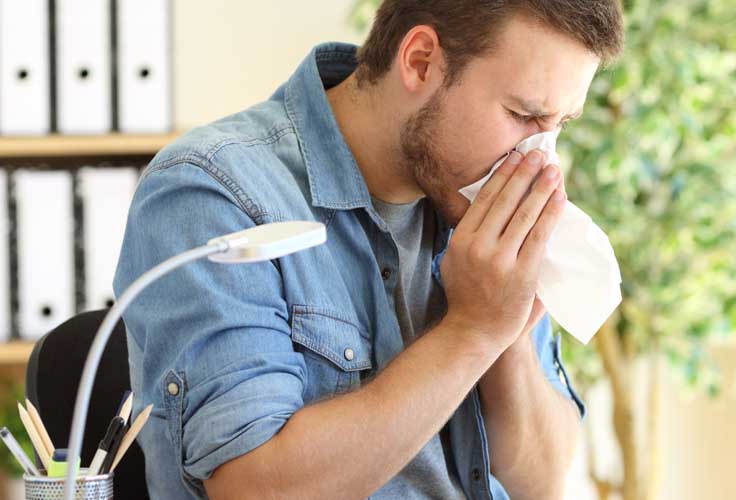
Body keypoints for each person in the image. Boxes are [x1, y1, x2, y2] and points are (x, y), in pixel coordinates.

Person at [113, 1, 624, 498]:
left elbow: (544, 483)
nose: (540, 158)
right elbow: (255, 488)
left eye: (559, 125)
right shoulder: (213, 192)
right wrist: (471, 331)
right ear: (420, 61)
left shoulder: (476, 201)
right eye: (523, 114)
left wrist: (507, 330)